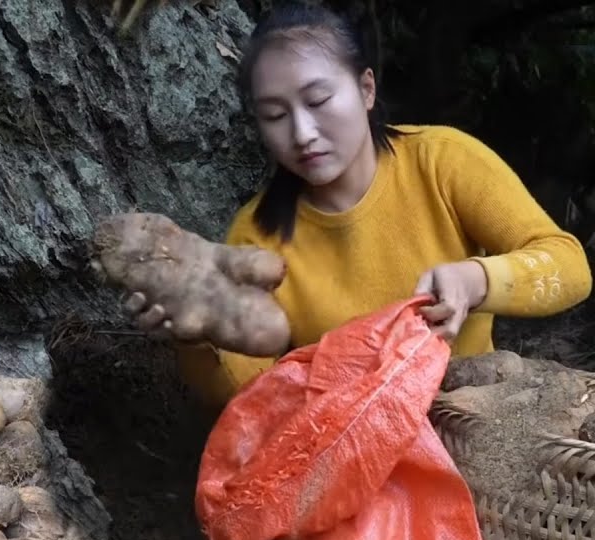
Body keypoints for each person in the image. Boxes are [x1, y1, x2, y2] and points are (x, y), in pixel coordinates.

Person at [125, 1, 593, 410]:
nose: (302, 133)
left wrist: (477, 279)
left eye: (319, 99)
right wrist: (198, 335)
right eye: (275, 115)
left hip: (469, 426)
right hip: (351, 453)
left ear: (366, 89)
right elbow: (250, 395)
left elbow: (570, 266)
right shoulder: (256, 237)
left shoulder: (441, 161)